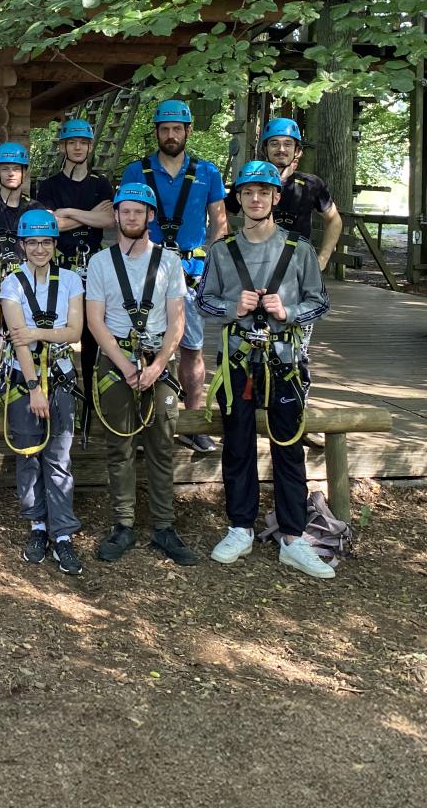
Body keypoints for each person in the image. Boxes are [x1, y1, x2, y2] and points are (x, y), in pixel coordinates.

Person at [197, 161, 334, 579]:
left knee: (288, 448)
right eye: (248, 193)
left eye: (264, 192)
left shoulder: (299, 250)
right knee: (237, 445)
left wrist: (288, 311)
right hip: (239, 363)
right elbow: (204, 301)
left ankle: (293, 536)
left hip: (285, 364)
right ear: (238, 200)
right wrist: (230, 307)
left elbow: (320, 301)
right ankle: (240, 526)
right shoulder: (222, 252)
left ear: (277, 197)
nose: (256, 199)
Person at [84, 182, 197, 567]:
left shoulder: (169, 262)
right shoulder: (100, 263)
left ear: (150, 216)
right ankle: (124, 523)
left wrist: (158, 365)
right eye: (124, 211)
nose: (131, 217)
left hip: (157, 359)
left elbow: (176, 321)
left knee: (162, 443)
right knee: (120, 445)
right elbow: (95, 321)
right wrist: (126, 365)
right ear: (115, 215)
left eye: (138, 211)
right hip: (116, 358)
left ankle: (164, 526)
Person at [119, 99, 228, 454]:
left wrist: (214, 265)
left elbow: (219, 223)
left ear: (187, 131)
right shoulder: (138, 171)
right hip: (147, 273)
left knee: (191, 349)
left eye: (176, 129)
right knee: (143, 346)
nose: (170, 135)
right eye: (164, 129)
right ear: (157, 132)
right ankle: (145, 421)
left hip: (191, 274)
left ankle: (194, 422)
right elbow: (127, 219)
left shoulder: (207, 173)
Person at [0, 209, 84, 575]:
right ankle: (37, 525)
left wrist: (38, 334)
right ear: (22, 245)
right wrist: (33, 386)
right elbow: (18, 339)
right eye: (31, 242)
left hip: (61, 375)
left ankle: (63, 533)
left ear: (54, 244)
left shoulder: (70, 281)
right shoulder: (12, 284)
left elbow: (75, 331)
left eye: (45, 242)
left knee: (59, 458)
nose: (39, 249)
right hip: (25, 377)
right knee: (28, 453)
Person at [35, 119, 117, 424]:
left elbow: (108, 221)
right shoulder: (50, 185)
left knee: (93, 335)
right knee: (57, 331)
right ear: (63, 147)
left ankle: (92, 404)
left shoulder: (101, 183)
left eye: (83, 143)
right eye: (72, 143)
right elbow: (50, 225)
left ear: (90, 146)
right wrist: (89, 217)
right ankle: (57, 394)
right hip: (60, 265)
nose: (78, 147)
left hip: (93, 265)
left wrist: (68, 213)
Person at [0, 141, 43, 414]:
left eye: (16, 168)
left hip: (27, 291)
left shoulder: (36, 210)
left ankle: (23, 407)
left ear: (24, 172)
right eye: (6, 169)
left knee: (27, 348)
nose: (11, 173)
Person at [222, 118, 342, 272]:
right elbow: (221, 215)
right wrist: (234, 248)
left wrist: (322, 259)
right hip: (254, 264)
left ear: (297, 150)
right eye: (274, 143)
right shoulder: (248, 181)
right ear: (265, 149)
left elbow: (334, 220)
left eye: (288, 144)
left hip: (298, 267)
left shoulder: (312, 184)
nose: (281, 149)